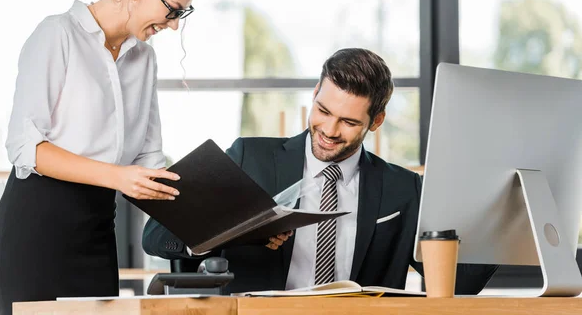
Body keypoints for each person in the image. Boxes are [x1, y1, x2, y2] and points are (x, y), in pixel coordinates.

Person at [142, 48, 498, 294]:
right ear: (315, 92)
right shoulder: (251, 157)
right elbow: (157, 237)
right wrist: (231, 232)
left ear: (376, 121)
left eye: (347, 121)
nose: (329, 129)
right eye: (323, 110)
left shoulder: (403, 189)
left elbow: (463, 281)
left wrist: (500, 203)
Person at [0, 0, 209, 314]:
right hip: (36, 231)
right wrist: (116, 176)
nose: (174, 23)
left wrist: (226, 220)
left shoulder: (143, 58)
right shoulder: (57, 35)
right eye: (172, 9)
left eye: (183, 12)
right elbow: (25, 148)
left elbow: (147, 160)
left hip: (96, 232)